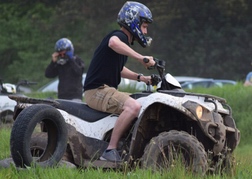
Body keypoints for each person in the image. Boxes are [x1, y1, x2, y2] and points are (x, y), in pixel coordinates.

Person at [84, 1, 155, 162]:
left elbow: (119, 69)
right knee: (134, 106)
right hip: (97, 90)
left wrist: (141, 78)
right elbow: (113, 43)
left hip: (105, 90)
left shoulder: (124, 44)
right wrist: (140, 58)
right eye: (144, 26)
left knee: (142, 102)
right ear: (134, 22)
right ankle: (110, 150)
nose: (146, 31)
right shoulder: (119, 37)